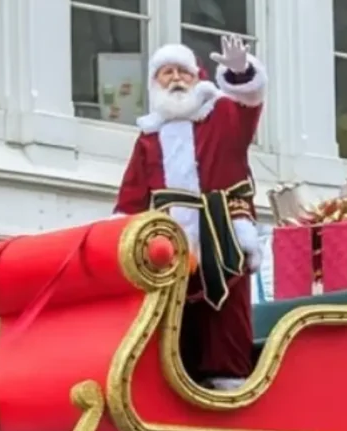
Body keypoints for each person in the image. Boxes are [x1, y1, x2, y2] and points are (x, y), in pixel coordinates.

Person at [112, 36, 267, 390]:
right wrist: (121, 238)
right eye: (166, 73)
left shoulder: (222, 115)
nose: (175, 79)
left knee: (225, 316)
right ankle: (178, 385)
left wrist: (241, 72)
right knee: (174, 318)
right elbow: (132, 196)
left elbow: (249, 103)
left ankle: (229, 384)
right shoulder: (149, 137)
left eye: (183, 71)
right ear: (155, 83)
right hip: (171, 244)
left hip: (223, 233)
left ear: (198, 77)